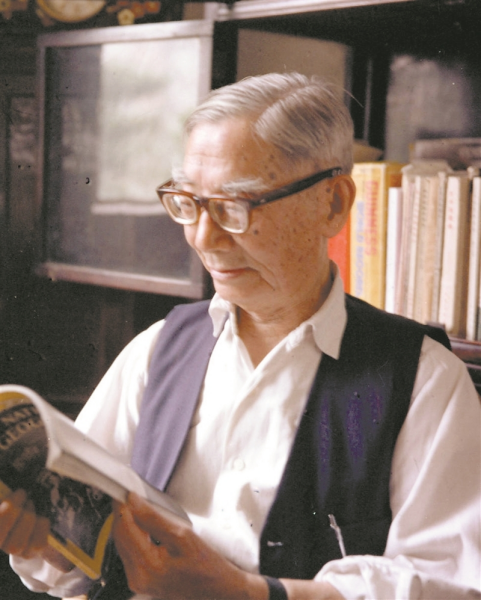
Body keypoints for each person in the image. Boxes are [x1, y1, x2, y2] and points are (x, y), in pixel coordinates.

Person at [1, 73, 480, 600]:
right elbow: (80, 557)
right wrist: (47, 543)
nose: (204, 238)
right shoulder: (156, 352)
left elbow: (451, 582)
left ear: (333, 204)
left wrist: (248, 593)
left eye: (236, 205)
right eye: (189, 202)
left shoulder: (422, 381)